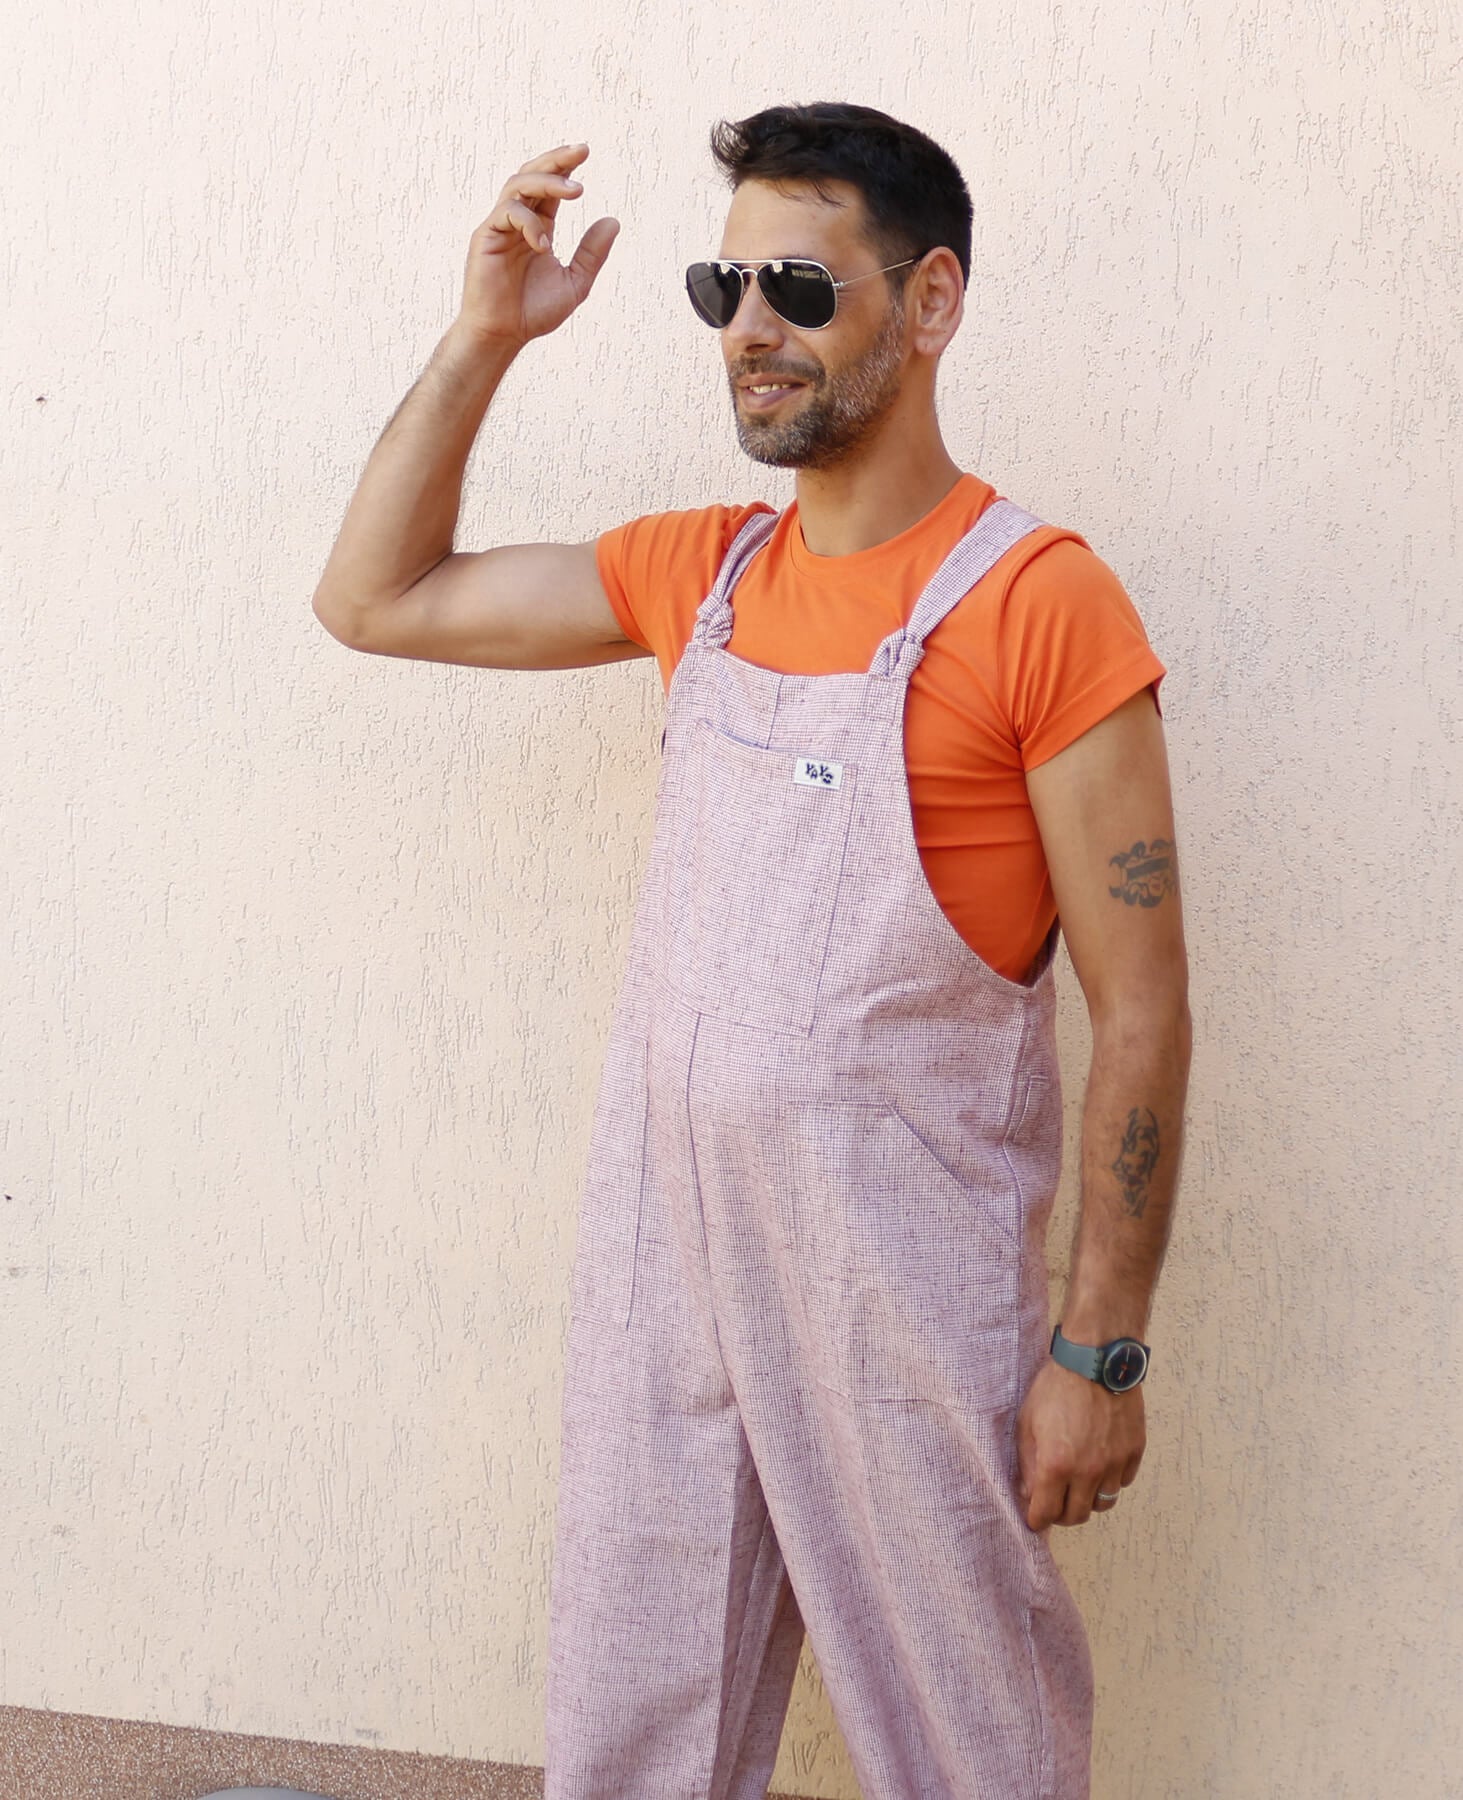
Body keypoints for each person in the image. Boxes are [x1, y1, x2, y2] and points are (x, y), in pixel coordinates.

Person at [312, 102, 1192, 1800]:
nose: (753, 329)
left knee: (971, 1741)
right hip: (669, 1259)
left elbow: (1143, 1013)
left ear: (930, 303)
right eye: (727, 285)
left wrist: (1102, 1348)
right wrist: (484, 337)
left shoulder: (1039, 603)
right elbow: (376, 595)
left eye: (798, 281)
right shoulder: (700, 576)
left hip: (899, 1287)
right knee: (637, 1722)